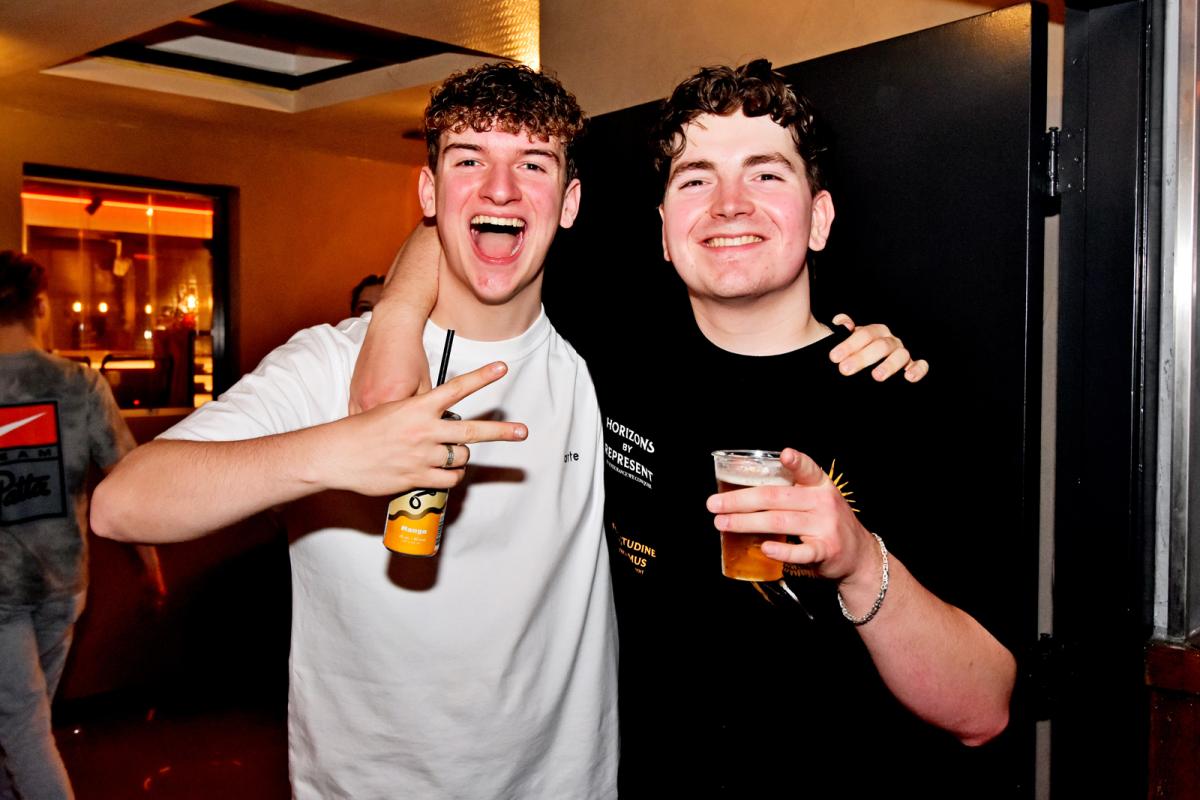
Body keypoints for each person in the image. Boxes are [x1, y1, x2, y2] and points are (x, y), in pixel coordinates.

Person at [351, 61, 1014, 797]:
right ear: (665, 230)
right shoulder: (607, 356)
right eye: (697, 179)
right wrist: (394, 319)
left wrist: (859, 562)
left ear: (820, 218)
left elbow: (983, 709)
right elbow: (472, 219)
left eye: (766, 175)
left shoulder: (903, 399)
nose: (729, 205)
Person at [91, 64, 613, 800]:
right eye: (468, 160)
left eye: (533, 163)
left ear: (569, 201)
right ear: (428, 192)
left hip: (562, 785)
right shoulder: (331, 363)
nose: (500, 189)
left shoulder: (600, 365)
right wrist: (338, 451)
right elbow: (122, 504)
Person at [0, 251, 164, 800]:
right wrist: (151, 566)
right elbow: (129, 480)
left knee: (21, 729)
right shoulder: (80, 385)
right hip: (63, 586)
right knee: (25, 727)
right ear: (41, 307)